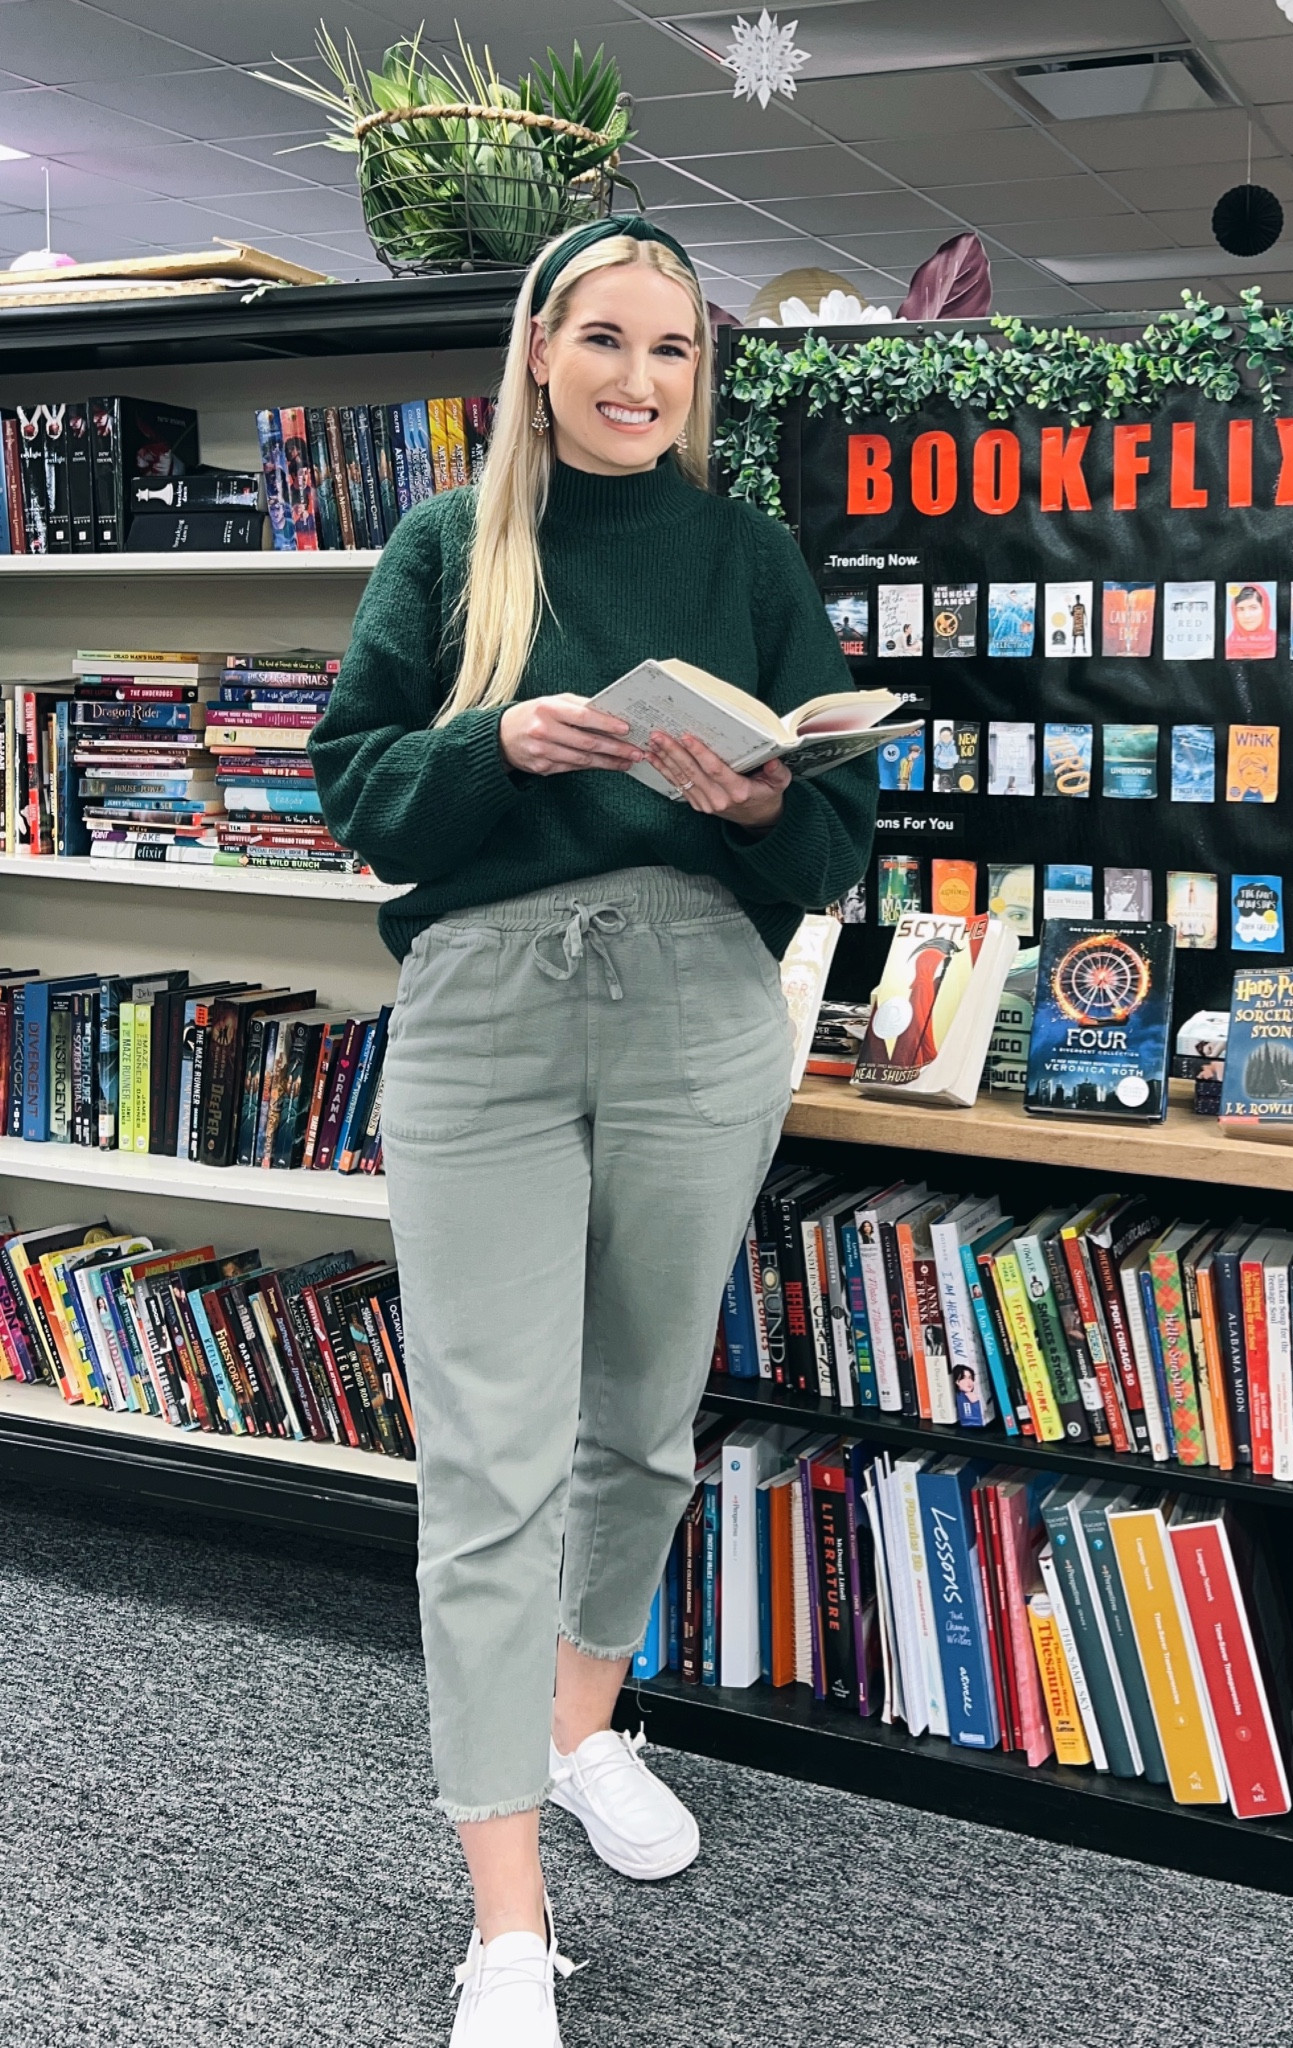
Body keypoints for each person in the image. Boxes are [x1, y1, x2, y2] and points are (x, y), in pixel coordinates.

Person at [309, 216, 877, 2048]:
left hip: (697, 1003)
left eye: (673, 350)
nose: (640, 380)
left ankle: (576, 1728)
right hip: (482, 1013)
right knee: (488, 1470)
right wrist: (502, 746)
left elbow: (834, 847)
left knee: (637, 1423)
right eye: (607, 340)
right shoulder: (446, 544)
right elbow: (360, 795)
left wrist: (757, 798)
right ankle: (503, 1926)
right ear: (539, 352)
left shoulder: (744, 553)